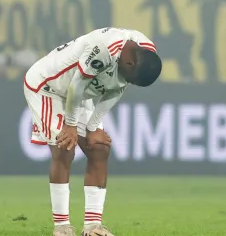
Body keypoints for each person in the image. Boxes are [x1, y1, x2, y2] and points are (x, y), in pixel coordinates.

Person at [23, 27, 162, 236]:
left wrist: (92, 127)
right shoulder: (104, 49)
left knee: (99, 148)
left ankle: (93, 227)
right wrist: (70, 125)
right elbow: (75, 85)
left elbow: (118, 88)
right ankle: (62, 227)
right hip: (48, 86)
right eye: (131, 78)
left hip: (81, 93)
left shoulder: (145, 53)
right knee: (65, 148)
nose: (128, 83)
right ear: (129, 63)